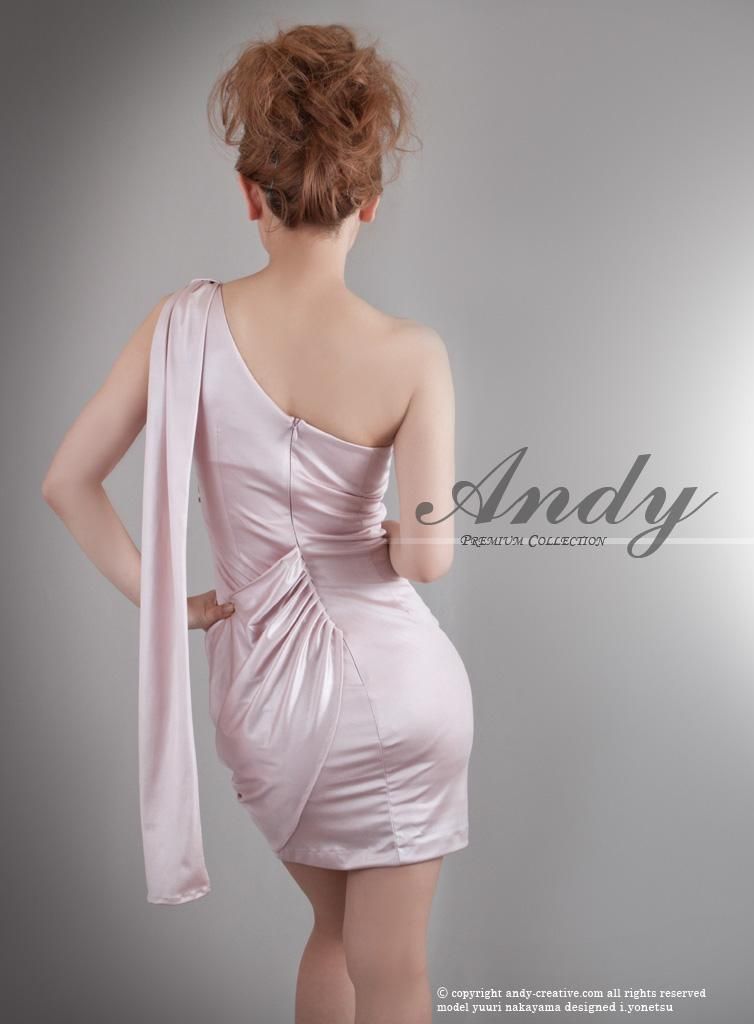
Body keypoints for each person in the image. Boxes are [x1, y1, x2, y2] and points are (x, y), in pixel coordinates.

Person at [42, 23, 474, 1024]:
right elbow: (429, 559)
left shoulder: (181, 326)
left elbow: (67, 482)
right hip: (397, 697)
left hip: (264, 703)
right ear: (370, 201)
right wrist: (387, 535)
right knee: (394, 968)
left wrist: (175, 603)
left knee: (331, 935)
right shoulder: (413, 354)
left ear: (250, 194)